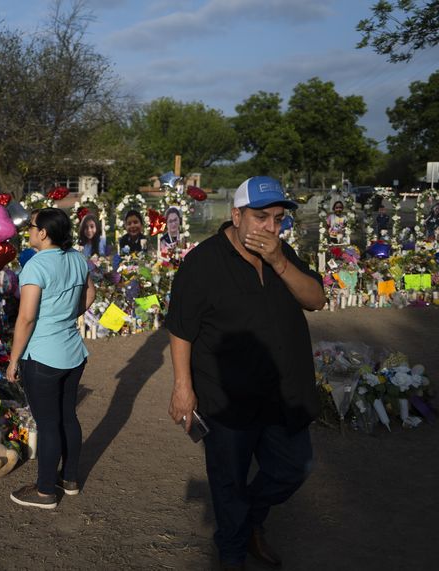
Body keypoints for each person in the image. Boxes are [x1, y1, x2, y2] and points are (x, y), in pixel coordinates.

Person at [165, 176, 326, 571]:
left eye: (277, 219)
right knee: (228, 481)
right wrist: (182, 388)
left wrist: (279, 262)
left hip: (283, 390)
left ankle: (250, 520)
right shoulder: (203, 262)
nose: (270, 228)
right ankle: (233, 552)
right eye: (261, 217)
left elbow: (316, 300)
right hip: (226, 395)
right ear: (236, 215)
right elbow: (181, 328)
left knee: (294, 467)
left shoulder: (281, 253)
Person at [7, 207, 96, 509]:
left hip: (43, 355)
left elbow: (27, 318)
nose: (29, 231)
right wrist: (66, 316)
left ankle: (45, 490)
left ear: (43, 232)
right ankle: (68, 479)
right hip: (72, 351)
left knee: (47, 424)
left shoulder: (35, 266)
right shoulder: (77, 258)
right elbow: (90, 296)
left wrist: (13, 359)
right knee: (67, 416)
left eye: (31, 226)